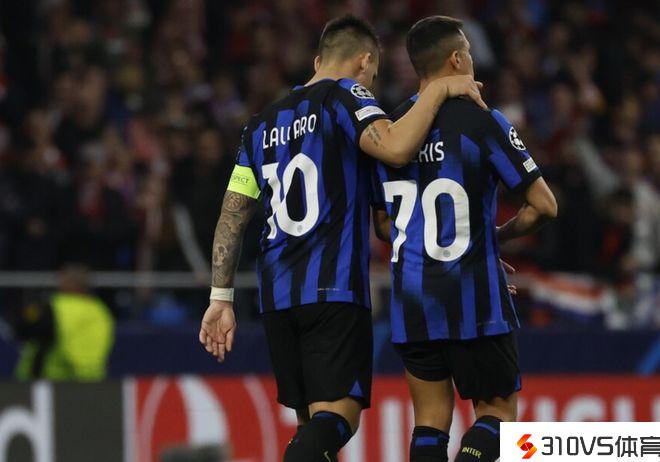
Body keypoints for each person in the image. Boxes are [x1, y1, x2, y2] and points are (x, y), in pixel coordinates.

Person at [198, 14, 486, 462]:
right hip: (333, 290)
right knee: (338, 418)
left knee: (311, 428)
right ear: (364, 62)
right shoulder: (346, 96)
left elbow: (233, 212)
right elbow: (395, 147)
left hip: (277, 296)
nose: (371, 84)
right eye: (374, 75)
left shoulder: (259, 126)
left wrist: (220, 296)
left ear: (317, 61)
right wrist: (440, 89)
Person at [371, 16, 557, 462]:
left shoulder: (389, 130)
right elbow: (544, 206)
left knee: (431, 419)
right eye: (469, 53)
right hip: (474, 296)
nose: (473, 61)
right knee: (497, 413)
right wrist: (493, 238)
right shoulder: (482, 121)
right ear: (456, 59)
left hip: (412, 300)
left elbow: (383, 223)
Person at [14, 263, 115, 381]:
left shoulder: (55, 307)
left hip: (54, 379)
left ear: (68, 283)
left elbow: (24, 330)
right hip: (92, 379)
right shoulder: (101, 311)